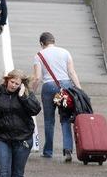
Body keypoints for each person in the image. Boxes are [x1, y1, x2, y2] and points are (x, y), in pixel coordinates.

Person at [31, 32, 82, 162]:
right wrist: (79, 89)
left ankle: (48, 151)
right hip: (65, 86)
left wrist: (31, 93)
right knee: (65, 118)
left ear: (42, 43)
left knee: (49, 120)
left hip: (48, 87)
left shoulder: (39, 55)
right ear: (53, 41)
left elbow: (37, 77)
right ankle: (68, 150)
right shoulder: (65, 52)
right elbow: (71, 72)